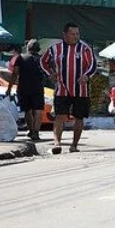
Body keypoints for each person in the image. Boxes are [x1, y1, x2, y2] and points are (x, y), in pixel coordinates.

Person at [40, 22, 97, 154]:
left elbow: (93, 65)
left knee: (79, 117)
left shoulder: (85, 49)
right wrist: (50, 74)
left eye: (77, 34)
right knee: (60, 116)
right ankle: (57, 143)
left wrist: (86, 75)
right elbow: (43, 62)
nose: (76, 36)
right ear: (65, 35)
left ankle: (74, 145)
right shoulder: (55, 49)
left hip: (81, 90)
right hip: (62, 88)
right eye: (72, 34)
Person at [6, 40, 46, 141]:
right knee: (38, 110)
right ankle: (36, 132)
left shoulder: (20, 58)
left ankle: (31, 130)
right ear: (38, 49)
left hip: (24, 88)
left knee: (27, 109)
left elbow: (15, 74)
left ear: (27, 48)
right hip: (38, 88)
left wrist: (9, 88)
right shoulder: (42, 59)